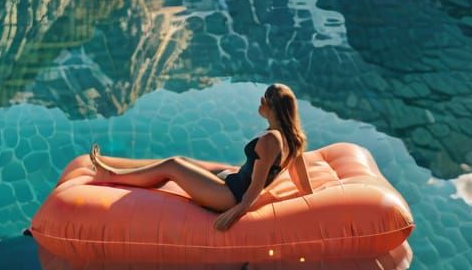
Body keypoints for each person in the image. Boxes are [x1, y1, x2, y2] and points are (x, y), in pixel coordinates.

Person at [89, 83, 314, 230]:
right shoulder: (294, 140)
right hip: (232, 184)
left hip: (228, 197)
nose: (260, 103)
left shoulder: (271, 140)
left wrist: (235, 213)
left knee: (173, 165)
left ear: (272, 107)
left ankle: (111, 175)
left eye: (263, 99)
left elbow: (254, 187)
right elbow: (304, 187)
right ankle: (121, 169)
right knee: (186, 163)